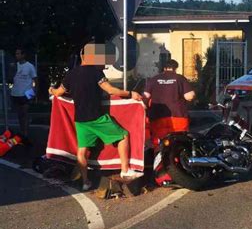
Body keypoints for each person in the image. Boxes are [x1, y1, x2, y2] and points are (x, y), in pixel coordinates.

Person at [49, 48, 143, 191]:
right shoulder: (96, 73)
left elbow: (58, 92)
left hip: (80, 120)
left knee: (82, 151)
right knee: (123, 136)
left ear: (81, 56)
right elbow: (111, 90)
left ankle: (85, 182)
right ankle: (125, 170)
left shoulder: (71, 74)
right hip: (97, 118)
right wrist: (131, 94)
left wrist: (51, 89)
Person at [144, 59, 195, 147]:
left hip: (158, 117)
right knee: (179, 142)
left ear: (164, 68)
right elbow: (189, 96)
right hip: (178, 116)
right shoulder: (180, 78)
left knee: (159, 143)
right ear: (175, 68)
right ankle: (176, 159)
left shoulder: (153, 79)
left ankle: (160, 159)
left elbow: (145, 96)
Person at [10, 47, 37, 137]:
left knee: (25, 113)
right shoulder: (14, 66)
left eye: (18, 54)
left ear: (23, 55)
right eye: (16, 54)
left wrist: (33, 93)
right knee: (19, 114)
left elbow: (35, 80)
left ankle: (25, 134)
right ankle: (22, 132)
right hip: (16, 93)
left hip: (26, 93)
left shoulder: (29, 66)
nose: (17, 55)